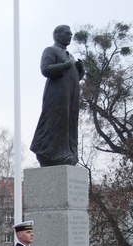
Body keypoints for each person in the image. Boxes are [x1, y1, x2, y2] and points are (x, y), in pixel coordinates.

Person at [30, 24, 85, 167]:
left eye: (71, 34)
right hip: (56, 98)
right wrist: (65, 66)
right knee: (55, 124)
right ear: (57, 35)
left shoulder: (70, 56)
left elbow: (69, 79)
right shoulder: (51, 50)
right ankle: (51, 153)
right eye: (67, 33)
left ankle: (68, 152)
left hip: (70, 99)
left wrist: (80, 72)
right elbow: (45, 69)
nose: (70, 35)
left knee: (69, 125)